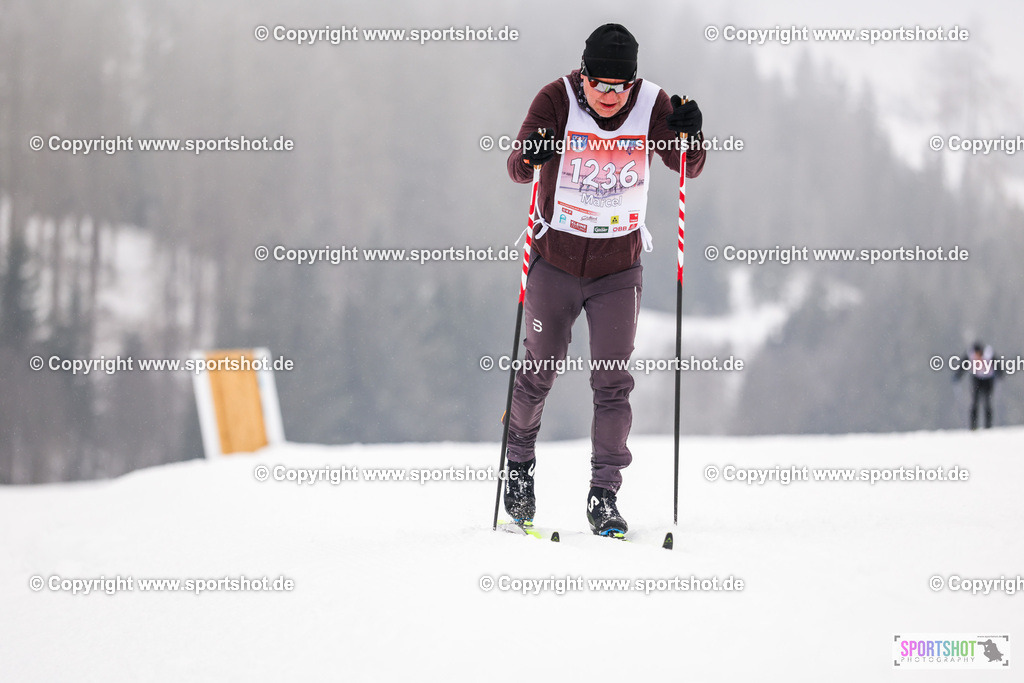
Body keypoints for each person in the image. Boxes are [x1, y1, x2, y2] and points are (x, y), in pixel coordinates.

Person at [502, 24, 706, 535]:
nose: (611, 97)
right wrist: (532, 153)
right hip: (555, 262)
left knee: (613, 382)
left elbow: (688, 165)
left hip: (618, 271)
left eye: (621, 87)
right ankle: (519, 467)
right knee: (538, 371)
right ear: (583, 74)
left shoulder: (652, 104)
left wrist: (691, 135)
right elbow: (517, 168)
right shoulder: (555, 99)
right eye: (601, 85)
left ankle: (604, 495)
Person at [954, 341, 1001, 429]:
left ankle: (988, 426)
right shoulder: (970, 354)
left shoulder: (988, 354)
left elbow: (997, 364)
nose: (977, 356)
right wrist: (958, 375)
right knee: (975, 402)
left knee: (987, 402)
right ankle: (973, 426)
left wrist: (1000, 373)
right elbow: (963, 365)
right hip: (977, 378)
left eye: (978, 354)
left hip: (988, 379)